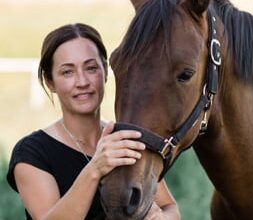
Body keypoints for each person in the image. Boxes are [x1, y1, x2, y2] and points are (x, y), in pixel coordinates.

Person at [6, 23, 180, 220]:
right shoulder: (31, 153)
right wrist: (95, 169)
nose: (82, 82)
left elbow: (169, 207)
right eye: (67, 72)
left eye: (91, 68)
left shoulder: (126, 140)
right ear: (50, 82)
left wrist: (163, 218)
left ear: (105, 71)